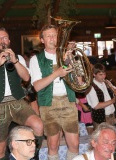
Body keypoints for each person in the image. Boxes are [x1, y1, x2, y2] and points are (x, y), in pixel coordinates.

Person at [0, 27, 43, 160]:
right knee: (0, 150)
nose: (2, 41)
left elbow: (26, 78)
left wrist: (15, 60)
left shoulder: (18, 57)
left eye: (4, 38)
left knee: (38, 125)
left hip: (17, 101)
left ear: (9, 40)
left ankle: (31, 156)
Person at [29, 24, 79, 160]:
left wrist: (73, 62)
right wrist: (57, 73)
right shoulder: (35, 59)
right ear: (42, 40)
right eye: (48, 36)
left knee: (75, 144)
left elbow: (79, 82)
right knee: (52, 145)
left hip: (68, 101)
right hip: (48, 104)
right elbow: (37, 87)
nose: (52, 38)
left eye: (54, 35)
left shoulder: (67, 55)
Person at [86, 63, 116, 129]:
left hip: (112, 116)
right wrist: (113, 100)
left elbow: (115, 92)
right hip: (101, 120)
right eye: (100, 74)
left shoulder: (107, 82)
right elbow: (96, 106)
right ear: (94, 74)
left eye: (104, 74)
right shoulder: (91, 87)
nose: (103, 76)